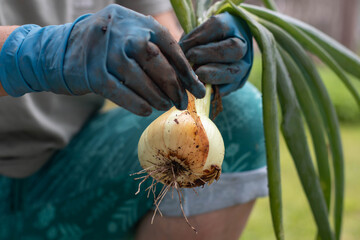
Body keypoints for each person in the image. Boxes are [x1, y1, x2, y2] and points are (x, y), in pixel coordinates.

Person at [0, 0, 267, 239]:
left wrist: (206, 53)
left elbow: (163, 45)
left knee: (237, 114)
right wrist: (29, 52)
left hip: (61, 164)